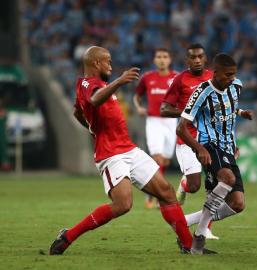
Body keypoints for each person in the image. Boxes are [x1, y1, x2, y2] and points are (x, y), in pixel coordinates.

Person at [49, 46, 195, 255]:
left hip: (129, 149)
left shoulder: (85, 83)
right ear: (96, 63)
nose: (110, 64)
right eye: (107, 61)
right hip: (111, 154)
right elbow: (94, 99)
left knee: (167, 192)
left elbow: (77, 111)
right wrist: (119, 81)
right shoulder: (91, 84)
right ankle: (68, 236)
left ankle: (189, 245)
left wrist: (92, 127)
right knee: (123, 204)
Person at [176, 53, 253, 254]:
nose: (231, 79)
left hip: (228, 147)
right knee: (226, 178)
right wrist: (199, 148)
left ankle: (183, 222)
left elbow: (230, 107)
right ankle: (199, 237)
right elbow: (181, 128)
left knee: (237, 204)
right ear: (215, 72)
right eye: (227, 75)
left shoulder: (236, 86)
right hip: (209, 145)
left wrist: (241, 113)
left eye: (234, 75)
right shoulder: (201, 92)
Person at [160, 44, 218, 239]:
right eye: (193, 57)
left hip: (211, 138)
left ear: (205, 58)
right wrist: (188, 111)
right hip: (187, 138)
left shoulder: (213, 78)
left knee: (218, 184)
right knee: (194, 186)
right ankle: (184, 184)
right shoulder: (180, 80)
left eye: (200, 56)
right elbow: (164, 109)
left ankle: (204, 228)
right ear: (187, 61)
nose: (197, 60)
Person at [133, 48, 178, 209]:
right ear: (154, 60)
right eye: (158, 56)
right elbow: (137, 96)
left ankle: (154, 192)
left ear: (170, 59)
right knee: (157, 158)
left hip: (171, 121)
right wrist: (138, 107)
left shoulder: (176, 78)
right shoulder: (147, 77)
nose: (162, 60)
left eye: (165, 57)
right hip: (153, 121)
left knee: (165, 160)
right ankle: (158, 194)